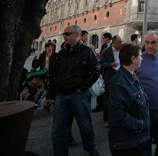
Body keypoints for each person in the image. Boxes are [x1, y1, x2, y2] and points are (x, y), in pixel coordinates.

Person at [45, 25, 100, 156]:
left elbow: (96, 69)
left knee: (85, 125)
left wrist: (83, 87)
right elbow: (54, 74)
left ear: (76, 35)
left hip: (78, 95)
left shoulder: (87, 51)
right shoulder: (62, 53)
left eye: (67, 34)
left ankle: (91, 148)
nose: (64, 36)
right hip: (61, 95)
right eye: (64, 34)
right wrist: (49, 95)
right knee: (58, 129)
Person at [108, 43, 151, 156]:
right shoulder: (119, 83)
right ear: (133, 59)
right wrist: (141, 125)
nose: (142, 58)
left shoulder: (130, 76)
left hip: (136, 139)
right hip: (129, 143)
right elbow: (117, 116)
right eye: (139, 56)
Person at [136, 31, 158, 156]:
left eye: (153, 43)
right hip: (145, 111)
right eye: (147, 42)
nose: (150, 46)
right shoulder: (138, 60)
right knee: (145, 145)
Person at [100, 35, 123, 128]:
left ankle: (118, 117)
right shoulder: (106, 51)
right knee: (108, 99)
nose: (121, 44)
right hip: (109, 77)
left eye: (122, 42)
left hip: (120, 76)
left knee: (119, 97)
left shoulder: (122, 51)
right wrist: (111, 64)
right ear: (114, 43)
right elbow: (101, 64)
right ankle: (107, 119)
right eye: (120, 42)